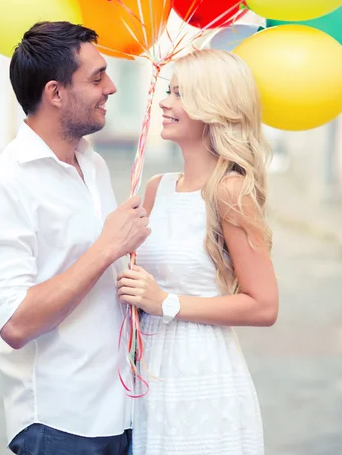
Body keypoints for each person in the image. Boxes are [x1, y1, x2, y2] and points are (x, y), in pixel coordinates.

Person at [0, 22, 150, 455]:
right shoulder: (3, 185)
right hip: (60, 424)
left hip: (123, 412)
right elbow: (16, 323)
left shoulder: (94, 164)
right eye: (96, 77)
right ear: (55, 93)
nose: (110, 87)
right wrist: (108, 247)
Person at [117, 49, 279, 455]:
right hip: (148, 375)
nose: (165, 102)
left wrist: (166, 302)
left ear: (214, 107)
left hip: (201, 371)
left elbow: (263, 306)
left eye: (180, 94)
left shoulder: (229, 191)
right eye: (169, 91)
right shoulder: (156, 188)